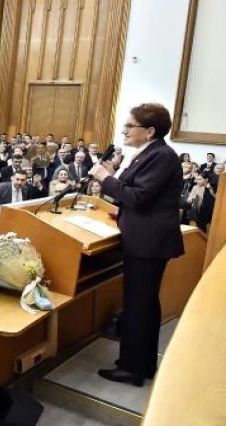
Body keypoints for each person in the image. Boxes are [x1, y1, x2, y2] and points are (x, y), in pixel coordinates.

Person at [89, 103, 184, 387]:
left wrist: (105, 178)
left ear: (150, 131)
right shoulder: (148, 155)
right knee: (143, 305)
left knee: (138, 306)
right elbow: (138, 196)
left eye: (130, 126)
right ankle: (142, 364)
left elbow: (138, 197)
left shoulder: (161, 156)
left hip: (147, 244)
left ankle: (132, 369)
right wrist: (114, 181)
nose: (125, 130)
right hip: (144, 238)